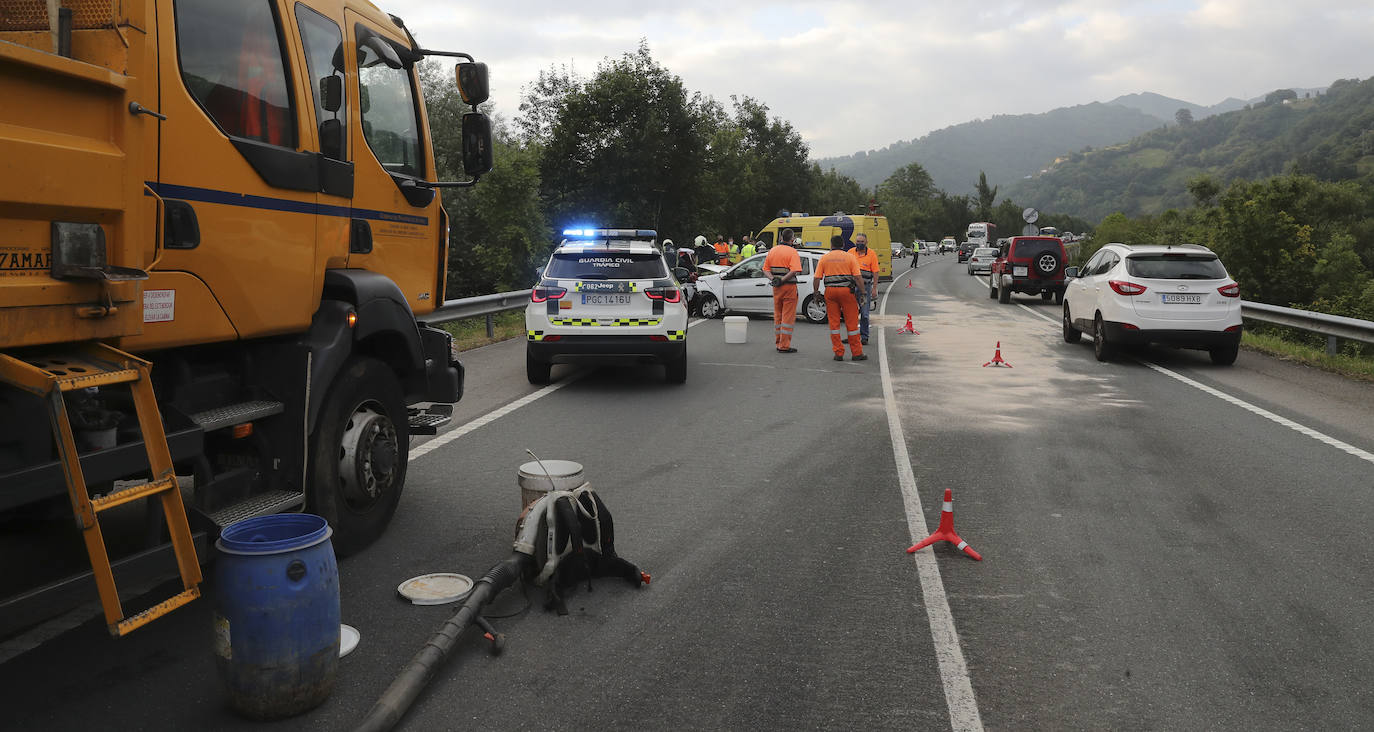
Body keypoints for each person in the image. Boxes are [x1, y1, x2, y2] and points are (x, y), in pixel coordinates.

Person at [813, 235, 866, 361]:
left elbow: (817, 278)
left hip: (830, 292)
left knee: (834, 322)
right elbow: (858, 278)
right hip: (847, 291)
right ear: (843, 245)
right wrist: (863, 292)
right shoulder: (850, 257)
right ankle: (857, 353)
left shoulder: (824, 258)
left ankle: (838, 352)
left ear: (831, 245)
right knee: (851, 322)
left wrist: (816, 292)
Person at [763, 228, 802, 353]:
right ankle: (784, 345)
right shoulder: (792, 252)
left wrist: (774, 279)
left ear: (781, 238)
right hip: (789, 287)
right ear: (792, 240)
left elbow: (765, 269)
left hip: (777, 289)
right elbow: (794, 270)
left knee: (778, 315)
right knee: (787, 317)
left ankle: (778, 342)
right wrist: (783, 280)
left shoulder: (772, 250)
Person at [849, 233, 879, 345]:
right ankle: (851, 335)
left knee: (864, 314)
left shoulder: (871, 254)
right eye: (858, 241)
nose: (859, 243)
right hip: (852, 287)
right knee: (851, 313)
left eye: (862, 242)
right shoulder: (850, 252)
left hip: (865, 288)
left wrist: (874, 288)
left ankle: (864, 336)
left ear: (866, 242)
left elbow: (875, 272)